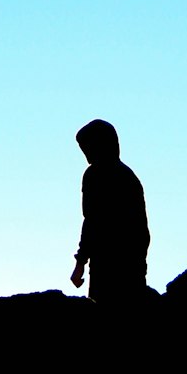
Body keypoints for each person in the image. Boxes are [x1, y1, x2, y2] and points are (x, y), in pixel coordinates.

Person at [70, 119, 149, 305]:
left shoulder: (105, 177)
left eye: (88, 147)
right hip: (112, 261)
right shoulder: (120, 176)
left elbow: (92, 221)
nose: (86, 154)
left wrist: (81, 261)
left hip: (117, 262)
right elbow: (91, 221)